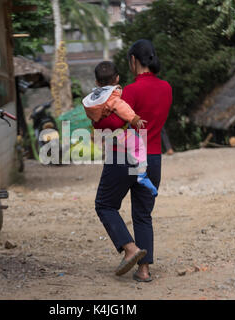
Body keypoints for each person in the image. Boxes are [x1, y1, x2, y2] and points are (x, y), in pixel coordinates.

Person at [93, 39, 172, 281]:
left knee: (105, 204)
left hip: (126, 156)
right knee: (143, 213)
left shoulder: (131, 91)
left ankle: (130, 248)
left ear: (133, 61)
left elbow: (116, 124)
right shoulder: (167, 88)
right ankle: (144, 271)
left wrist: (97, 119)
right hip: (154, 157)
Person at [82, 61, 158, 196]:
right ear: (117, 78)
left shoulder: (95, 98)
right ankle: (141, 175)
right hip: (121, 133)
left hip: (107, 135)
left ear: (96, 82)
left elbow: (93, 117)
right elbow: (121, 108)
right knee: (138, 145)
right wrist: (134, 119)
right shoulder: (113, 96)